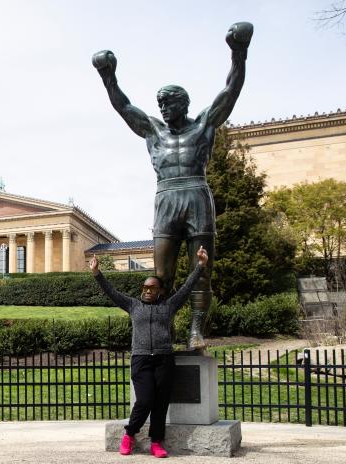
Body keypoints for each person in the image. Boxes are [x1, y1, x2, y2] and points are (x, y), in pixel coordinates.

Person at [91, 22, 252, 349]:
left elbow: (230, 91)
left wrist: (239, 52)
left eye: (168, 102)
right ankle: (163, 328)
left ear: (184, 103)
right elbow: (123, 106)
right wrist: (108, 76)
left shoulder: (204, 124)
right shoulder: (153, 130)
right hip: (166, 198)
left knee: (201, 271)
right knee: (160, 275)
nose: (162, 107)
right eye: (160, 103)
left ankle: (196, 331)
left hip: (196, 195)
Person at [90, 246, 208, 457]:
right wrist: (97, 273)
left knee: (161, 403)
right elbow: (112, 293)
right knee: (144, 401)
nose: (147, 290)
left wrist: (200, 265)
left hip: (164, 359)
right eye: (145, 287)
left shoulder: (169, 306)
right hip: (141, 359)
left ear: (160, 291)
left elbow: (186, 288)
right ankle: (130, 434)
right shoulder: (133, 306)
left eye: (152, 288)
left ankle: (156, 442)